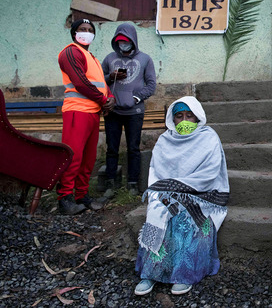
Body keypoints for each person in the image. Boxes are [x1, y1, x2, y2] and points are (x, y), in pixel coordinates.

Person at [134, 96, 229, 296]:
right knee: (158, 212)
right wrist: (166, 192)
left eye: (189, 116)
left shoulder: (209, 137)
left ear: (198, 117)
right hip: (167, 191)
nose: (184, 121)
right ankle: (150, 272)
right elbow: (156, 171)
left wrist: (183, 189)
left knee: (186, 216)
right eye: (179, 116)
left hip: (202, 193)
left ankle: (184, 274)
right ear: (172, 119)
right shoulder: (165, 140)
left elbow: (211, 173)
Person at [57, 18, 115, 215]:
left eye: (90, 29)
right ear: (74, 33)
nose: (86, 32)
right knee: (73, 157)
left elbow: (101, 83)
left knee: (88, 159)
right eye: (82, 29)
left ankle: (82, 196)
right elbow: (81, 83)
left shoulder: (92, 57)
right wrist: (102, 100)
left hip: (92, 113)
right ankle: (65, 199)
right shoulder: (71, 52)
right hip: (77, 111)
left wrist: (111, 98)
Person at [101, 23, 156, 194]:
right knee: (112, 148)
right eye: (119, 42)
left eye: (125, 41)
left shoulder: (145, 59)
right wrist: (111, 76)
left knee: (133, 147)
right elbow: (99, 81)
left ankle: (132, 182)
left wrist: (136, 98)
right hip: (113, 111)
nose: (122, 44)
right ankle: (111, 183)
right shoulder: (109, 58)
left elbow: (151, 84)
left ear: (133, 40)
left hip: (135, 112)